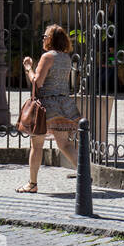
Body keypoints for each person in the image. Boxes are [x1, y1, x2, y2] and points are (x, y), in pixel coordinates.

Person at [16, 24, 80, 194]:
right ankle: (84, 173)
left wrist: (28, 67)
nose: (43, 39)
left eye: (45, 36)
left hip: (46, 107)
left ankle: (32, 183)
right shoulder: (66, 58)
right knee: (65, 144)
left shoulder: (47, 57)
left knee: (36, 145)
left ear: (51, 39)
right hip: (64, 105)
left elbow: (38, 82)